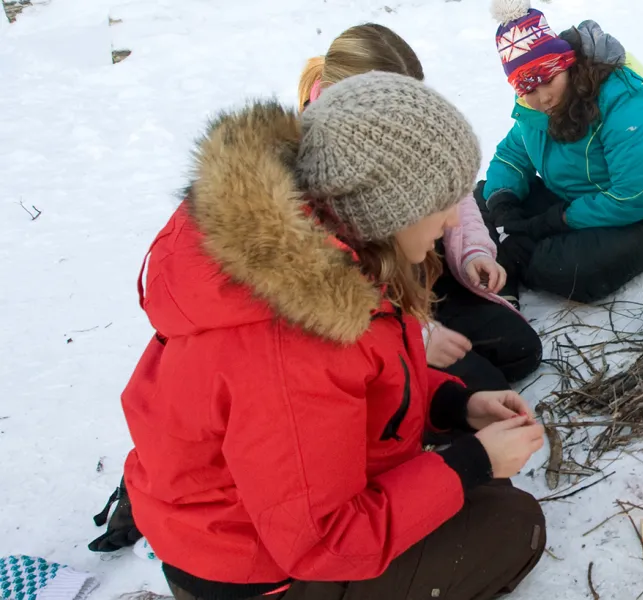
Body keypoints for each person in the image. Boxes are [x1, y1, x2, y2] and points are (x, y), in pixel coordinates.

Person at [122, 73, 548, 600]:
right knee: (510, 524)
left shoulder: (334, 262)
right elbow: (325, 540)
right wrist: (473, 461)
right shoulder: (289, 341)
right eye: (443, 201)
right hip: (254, 572)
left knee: (480, 490)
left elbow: (366, 385)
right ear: (392, 208)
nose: (448, 221)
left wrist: (457, 405)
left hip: (262, 524)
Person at [300, 23, 542, 392]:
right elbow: (338, 293)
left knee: (519, 350)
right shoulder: (321, 170)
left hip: (424, 275)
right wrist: (415, 334)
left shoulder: (406, 120)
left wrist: (472, 251)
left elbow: (454, 193)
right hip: (379, 306)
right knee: (477, 388)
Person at [480, 1, 643, 305]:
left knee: (574, 271)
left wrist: (557, 220)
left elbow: (632, 199)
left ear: (565, 63)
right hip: (577, 200)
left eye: (547, 80)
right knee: (485, 195)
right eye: (527, 89)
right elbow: (511, 156)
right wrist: (503, 203)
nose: (541, 98)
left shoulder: (626, 102)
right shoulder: (535, 109)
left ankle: (506, 256)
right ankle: (508, 254)